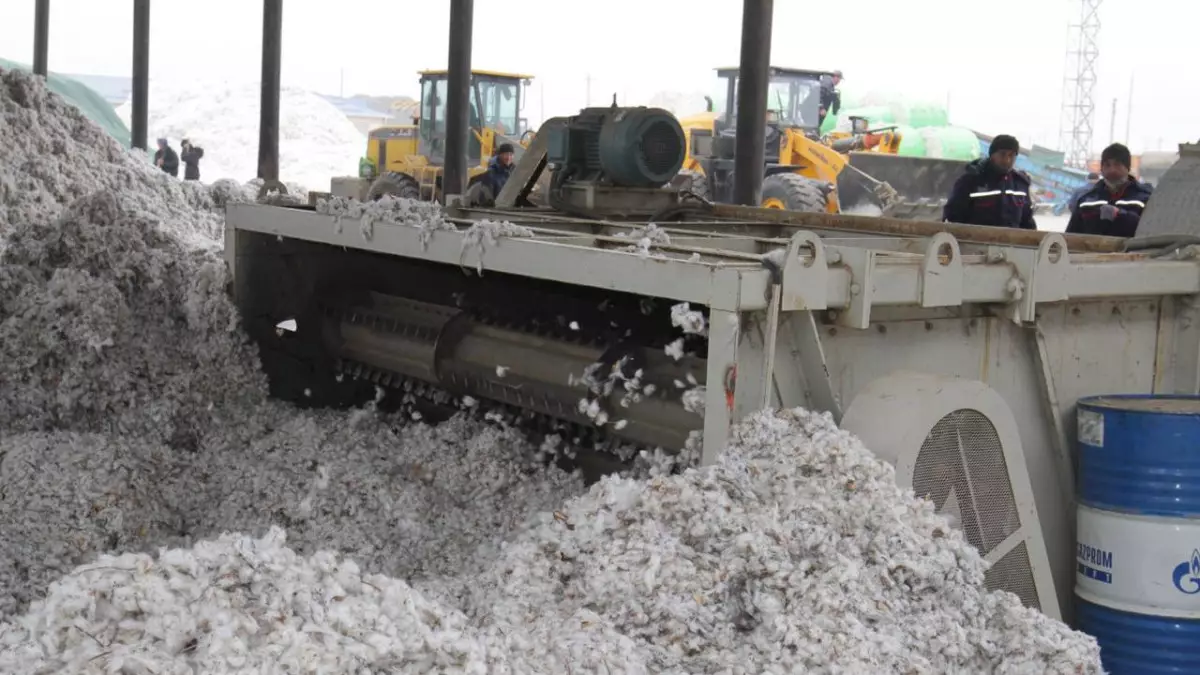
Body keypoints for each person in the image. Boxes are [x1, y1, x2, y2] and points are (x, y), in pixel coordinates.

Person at [942, 134, 1036, 229]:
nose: (1007, 160)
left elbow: (1027, 220)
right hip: (976, 241)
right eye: (1002, 154)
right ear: (992, 155)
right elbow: (953, 216)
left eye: (1011, 155)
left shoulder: (1020, 184)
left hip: (1011, 242)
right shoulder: (971, 181)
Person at [1066, 143, 1153, 238]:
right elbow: (1071, 236)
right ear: (1102, 168)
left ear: (1127, 168)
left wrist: (1120, 215)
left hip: (1133, 252)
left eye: (1117, 165)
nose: (1112, 170)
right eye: (1107, 165)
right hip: (1092, 252)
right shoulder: (1086, 200)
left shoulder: (1145, 198)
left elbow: (1152, 231)